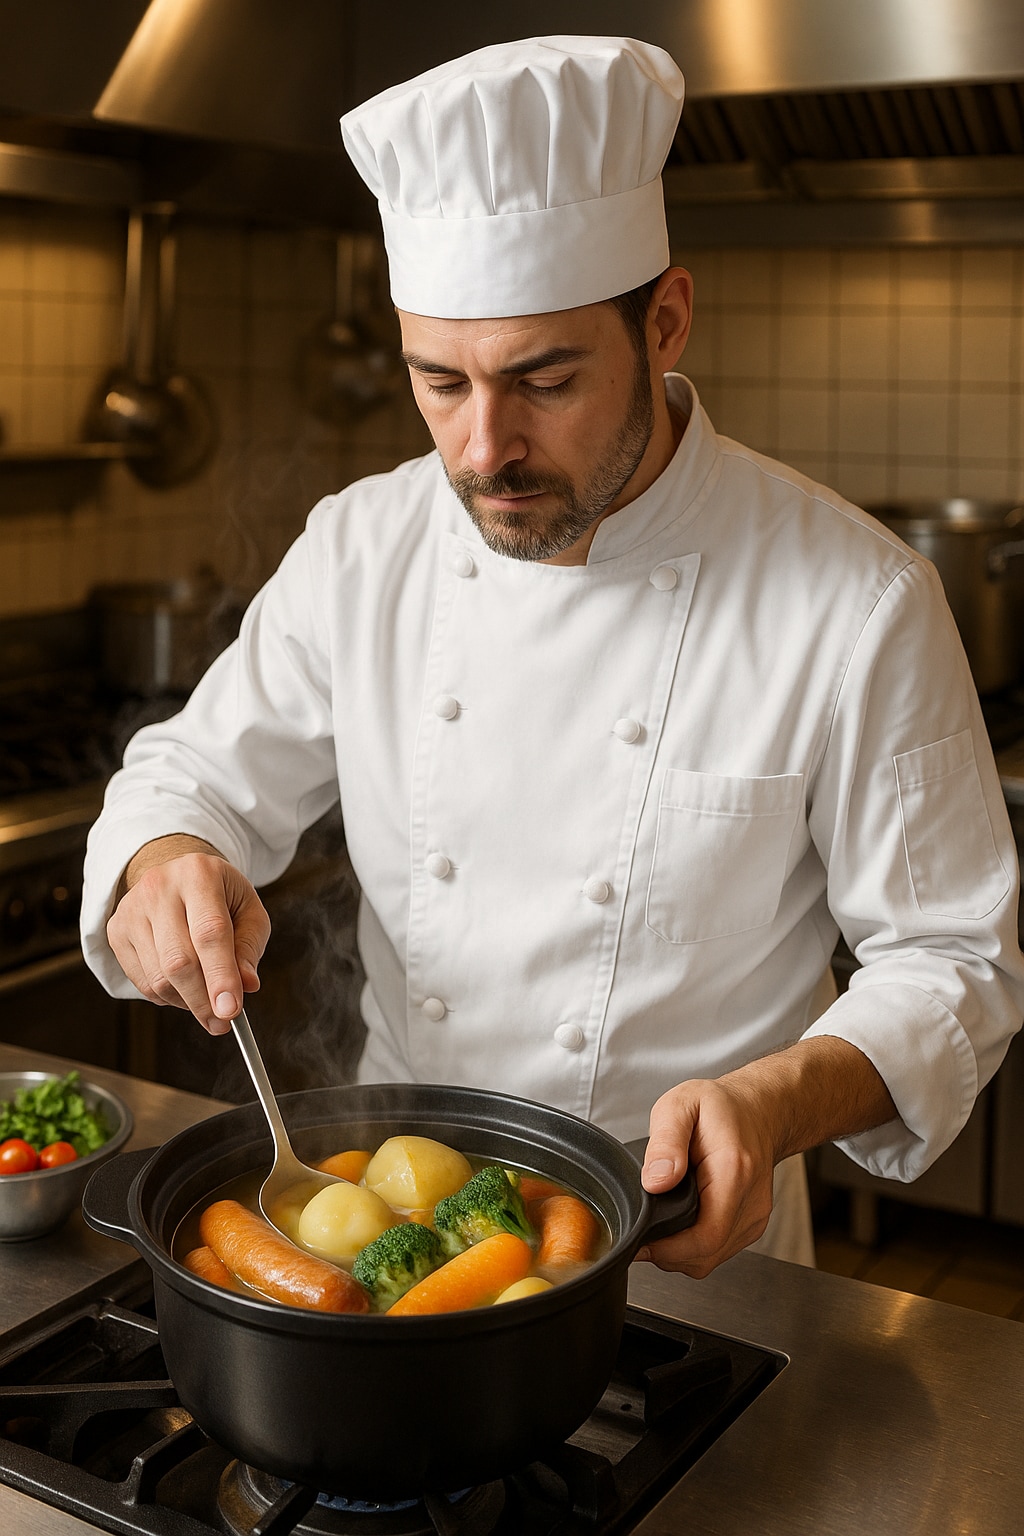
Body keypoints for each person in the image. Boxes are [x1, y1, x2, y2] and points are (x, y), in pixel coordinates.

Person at [82, 35, 1024, 1275]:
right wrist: (167, 859)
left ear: (666, 320)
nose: (482, 449)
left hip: (695, 1250)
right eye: (439, 382)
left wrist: (779, 1099)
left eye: (544, 379)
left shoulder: (854, 598)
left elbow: (951, 964)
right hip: (388, 1241)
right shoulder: (366, 546)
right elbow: (189, 775)